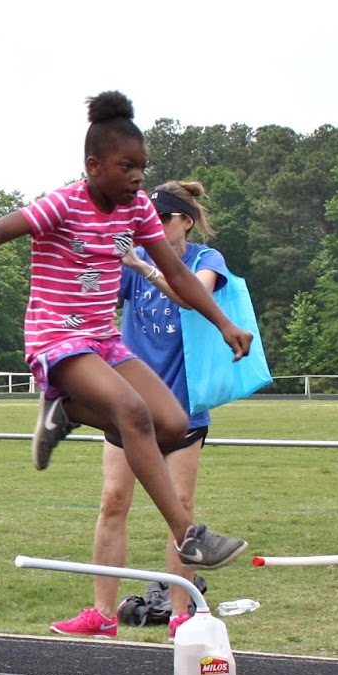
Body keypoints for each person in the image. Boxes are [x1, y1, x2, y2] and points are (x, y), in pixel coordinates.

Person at [0, 92, 253, 582]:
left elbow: (177, 273)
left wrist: (224, 323)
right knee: (131, 411)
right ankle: (189, 536)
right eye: (126, 166)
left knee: (174, 425)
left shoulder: (137, 211)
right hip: (56, 336)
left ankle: (66, 411)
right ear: (93, 166)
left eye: (142, 167)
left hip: (103, 339)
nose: (137, 178)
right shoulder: (64, 203)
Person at [51, 180, 232, 639]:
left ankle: (180, 616)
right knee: (113, 501)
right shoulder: (132, 259)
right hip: (127, 407)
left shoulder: (206, 260)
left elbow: (192, 296)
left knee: (181, 508)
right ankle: (102, 614)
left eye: (162, 218)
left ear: (184, 221)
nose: (151, 225)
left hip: (183, 408)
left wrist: (141, 265)